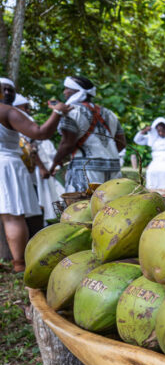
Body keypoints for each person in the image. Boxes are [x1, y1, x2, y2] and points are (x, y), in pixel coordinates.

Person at [0, 77, 71, 273]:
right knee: (13, 216)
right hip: (6, 165)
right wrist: (58, 112)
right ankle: (20, 264)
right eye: (3, 89)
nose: (6, 93)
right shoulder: (8, 112)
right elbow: (40, 133)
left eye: (10, 90)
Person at [49, 76, 127, 192]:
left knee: (82, 207)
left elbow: (67, 144)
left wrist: (55, 162)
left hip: (85, 171)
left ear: (76, 91)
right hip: (113, 168)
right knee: (110, 207)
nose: (64, 92)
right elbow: (122, 143)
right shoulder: (109, 113)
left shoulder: (71, 111)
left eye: (67, 89)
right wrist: (105, 154)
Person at [14, 94, 65, 222]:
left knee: (45, 198)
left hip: (35, 167)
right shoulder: (17, 118)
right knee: (38, 200)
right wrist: (42, 168)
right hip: (32, 168)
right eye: (25, 107)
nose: (28, 110)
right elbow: (28, 145)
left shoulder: (23, 118)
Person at [133, 117, 165, 189]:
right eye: (159, 131)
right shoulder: (153, 137)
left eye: (163, 131)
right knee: (151, 172)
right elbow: (137, 140)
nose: (161, 133)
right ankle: (153, 192)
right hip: (157, 161)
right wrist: (144, 131)